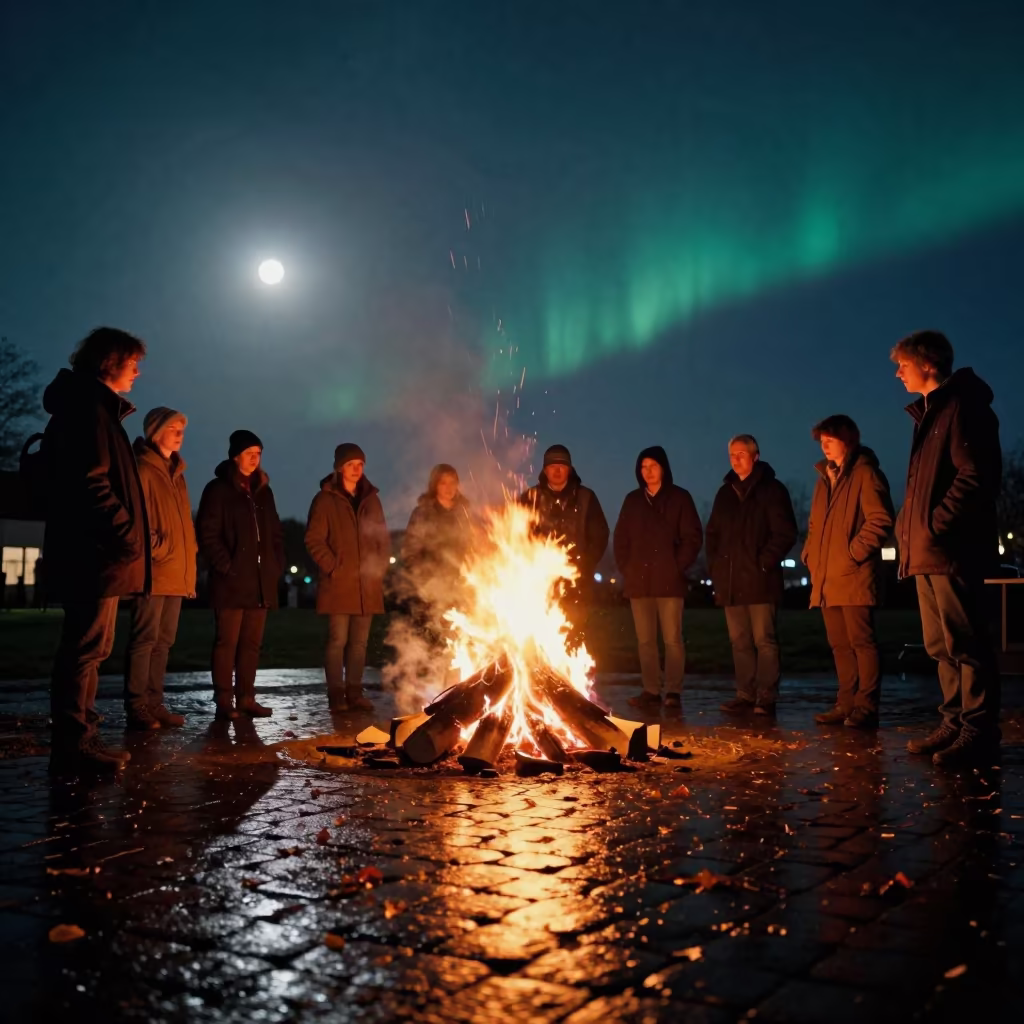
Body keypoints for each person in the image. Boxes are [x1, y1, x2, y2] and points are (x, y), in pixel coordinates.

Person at [893, 330, 1002, 766]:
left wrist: (936, 526)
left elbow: (975, 475)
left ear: (927, 363)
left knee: (966, 643)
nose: (898, 372)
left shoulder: (961, 407)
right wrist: (912, 531)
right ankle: (954, 721)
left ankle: (978, 730)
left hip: (951, 551)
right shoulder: (930, 415)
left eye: (903, 364)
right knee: (940, 645)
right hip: (927, 552)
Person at [43, 327, 150, 771]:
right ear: (110, 362)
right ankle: (75, 745)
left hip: (96, 552)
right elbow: (92, 483)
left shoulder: (95, 408)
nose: (138, 372)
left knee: (92, 648)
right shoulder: (89, 409)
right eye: (133, 363)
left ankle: (82, 733)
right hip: (93, 553)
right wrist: (126, 535)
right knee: (84, 648)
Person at [802, 415, 894, 728]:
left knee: (861, 643)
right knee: (840, 645)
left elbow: (880, 520)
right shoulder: (823, 478)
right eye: (821, 440)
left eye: (830, 439)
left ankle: (866, 707)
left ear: (848, 440)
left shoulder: (865, 474)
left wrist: (853, 554)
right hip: (827, 578)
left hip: (853, 576)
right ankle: (846, 703)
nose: (824, 445)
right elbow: (815, 525)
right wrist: (810, 555)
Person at [706, 434, 798, 716]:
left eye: (741, 454)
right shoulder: (725, 493)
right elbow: (713, 534)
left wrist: (763, 563)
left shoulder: (772, 490)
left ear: (755, 456)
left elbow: (785, 533)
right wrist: (717, 567)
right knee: (740, 642)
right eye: (732, 454)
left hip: (760, 581)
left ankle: (766, 696)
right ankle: (745, 694)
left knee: (764, 640)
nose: (735, 459)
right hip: (731, 583)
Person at [196, 430, 284, 720]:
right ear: (235, 456)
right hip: (231, 582)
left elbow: (274, 533)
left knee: (251, 644)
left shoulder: (264, 491)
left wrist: (274, 565)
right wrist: (226, 565)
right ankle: (224, 700)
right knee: (227, 643)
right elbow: (208, 533)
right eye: (249, 453)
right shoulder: (218, 490)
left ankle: (246, 697)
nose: (255, 458)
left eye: (258, 453)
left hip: (260, 583)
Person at [123, 407, 199, 730]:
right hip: (154, 570)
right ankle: (137, 705)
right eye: (173, 428)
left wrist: (188, 552)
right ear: (156, 431)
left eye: (182, 428)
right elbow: (135, 520)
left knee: (164, 641)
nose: (180, 433)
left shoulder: (177, 474)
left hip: (176, 573)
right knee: (144, 639)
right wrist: (160, 547)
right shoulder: (142, 469)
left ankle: (154, 703)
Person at [613, 446, 703, 710]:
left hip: (669, 582)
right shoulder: (633, 500)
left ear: (663, 467)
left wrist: (676, 565)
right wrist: (627, 568)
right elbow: (620, 539)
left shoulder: (679, 498)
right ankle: (651, 690)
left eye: (653, 465)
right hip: (638, 582)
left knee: (672, 639)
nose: (648, 471)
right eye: (643, 467)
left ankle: (673, 691)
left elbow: (693, 537)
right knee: (645, 641)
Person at [305, 443, 391, 711]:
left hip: (367, 584)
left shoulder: (371, 500)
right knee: (337, 641)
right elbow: (314, 539)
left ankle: (355, 692)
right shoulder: (325, 499)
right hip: (339, 584)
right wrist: (334, 567)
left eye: (360, 464)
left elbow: (382, 539)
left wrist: (378, 568)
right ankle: (336, 695)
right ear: (340, 467)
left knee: (359, 643)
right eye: (351, 464)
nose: (356, 469)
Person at [520, 444, 610, 643]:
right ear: (545, 470)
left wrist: (585, 564)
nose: (557, 470)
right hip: (539, 583)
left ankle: (571, 674)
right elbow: (516, 535)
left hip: (576, 583)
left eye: (562, 465)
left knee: (574, 635)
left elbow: (600, 534)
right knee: (539, 638)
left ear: (569, 468)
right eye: (552, 466)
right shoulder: (530, 498)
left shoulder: (586, 497)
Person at [401, 463, 473, 639]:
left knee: (456, 639)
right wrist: (425, 580)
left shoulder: (464, 514)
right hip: (429, 587)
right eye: (443, 483)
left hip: (458, 587)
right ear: (435, 485)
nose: (449, 488)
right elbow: (411, 551)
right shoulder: (423, 513)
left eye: (453, 482)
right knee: (429, 638)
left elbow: (471, 547)